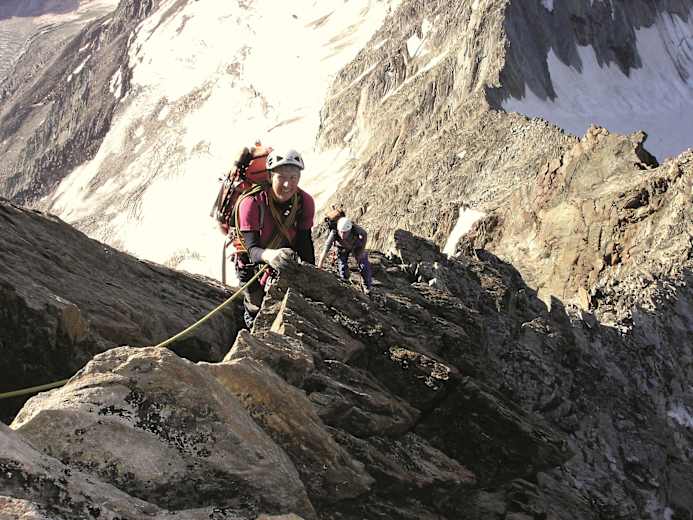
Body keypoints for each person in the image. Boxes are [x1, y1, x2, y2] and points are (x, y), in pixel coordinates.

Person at [236, 147, 315, 328]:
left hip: (283, 259)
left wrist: (311, 276)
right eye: (282, 177)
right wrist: (270, 256)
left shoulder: (304, 202)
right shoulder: (251, 203)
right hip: (251, 265)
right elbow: (251, 250)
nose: (287, 184)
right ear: (270, 176)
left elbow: (305, 242)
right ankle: (250, 327)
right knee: (256, 308)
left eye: (293, 177)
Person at [317, 217, 373, 295]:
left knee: (364, 265)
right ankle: (346, 285)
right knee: (342, 268)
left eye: (345, 232)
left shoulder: (355, 229)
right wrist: (319, 267)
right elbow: (325, 250)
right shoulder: (334, 233)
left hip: (355, 245)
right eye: (341, 232)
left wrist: (361, 250)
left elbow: (364, 234)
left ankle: (367, 287)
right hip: (342, 248)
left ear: (349, 230)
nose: (343, 235)